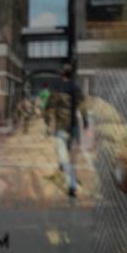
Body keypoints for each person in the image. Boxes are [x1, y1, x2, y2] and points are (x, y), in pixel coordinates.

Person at [43, 63, 83, 198]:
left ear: (62, 74)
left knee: (64, 155)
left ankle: (72, 185)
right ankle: (63, 167)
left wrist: (47, 123)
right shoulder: (76, 87)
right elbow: (83, 104)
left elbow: (49, 106)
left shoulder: (57, 87)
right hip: (74, 127)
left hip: (62, 127)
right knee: (69, 153)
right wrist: (85, 122)